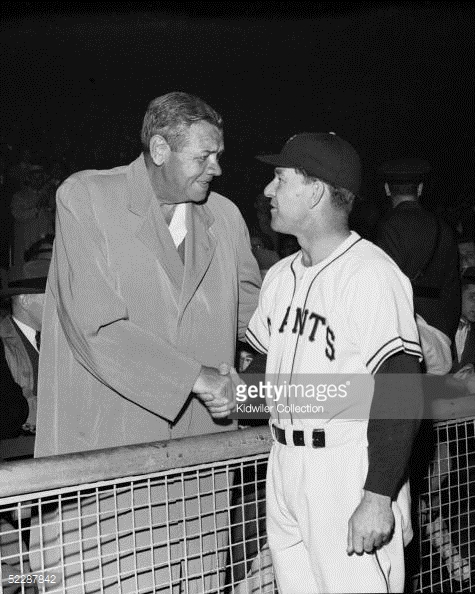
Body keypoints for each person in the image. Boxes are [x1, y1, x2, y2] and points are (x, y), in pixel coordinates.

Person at [31, 92, 260, 592]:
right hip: (107, 460)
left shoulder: (225, 217)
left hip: (201, 468)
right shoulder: (86, 197)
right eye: (205, 156)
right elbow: (94, 326)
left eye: (218, 154)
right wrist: (195, 377)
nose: (218, 168)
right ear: (159, 149)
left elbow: (254, 318)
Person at [244, 132, 424, 593]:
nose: (269, 190)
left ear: (317, 191)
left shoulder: (371, 274)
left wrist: (380, 494)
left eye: (280, 179)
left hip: (344, 467)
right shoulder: (280, 277)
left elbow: (400, 390)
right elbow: (268, 375)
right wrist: (227, 390)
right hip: (284, 461)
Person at [376, 158, 461, 373]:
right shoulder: (444, 229)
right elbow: (453, 289)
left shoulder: (386, 229)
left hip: (401, 336)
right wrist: (445, 334)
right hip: (437, 330)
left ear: (387, 189)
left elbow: (382, 289)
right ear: (420, 189)